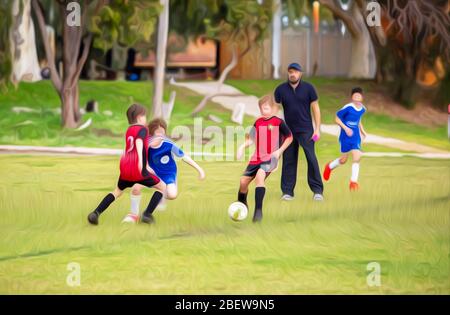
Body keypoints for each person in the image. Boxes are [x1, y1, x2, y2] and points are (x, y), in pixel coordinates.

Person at [87, 104, 166, 225]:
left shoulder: (129, 130)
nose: (145, 119)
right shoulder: (143, 129)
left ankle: (96, 213)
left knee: (117, 191)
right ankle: (147, 214)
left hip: (125, 169)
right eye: (144, 116)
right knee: (162, 187)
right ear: (139, 117)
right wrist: (142, 165)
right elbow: (139, 144)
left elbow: (128, 149)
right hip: (138, 170)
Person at [122, 118, 205, 223]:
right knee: (136, 188)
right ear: (151, 134)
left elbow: (184, 157)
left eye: (163, 132)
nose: (161, 135)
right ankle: (135, 215)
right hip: (152, 173)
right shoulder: (145, 145)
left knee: (172, 195)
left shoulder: (168, 144)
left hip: (167, 174)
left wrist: (199, 169)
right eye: (158, 133)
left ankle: (159, 197)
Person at [236, 95, 293, 222]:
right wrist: (241, 148)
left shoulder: (279, 122)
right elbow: (250, 139)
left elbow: (290, 137)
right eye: (261, 108)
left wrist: (279, 151)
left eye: (266, 108)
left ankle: (258, 212)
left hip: (270, 158)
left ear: (274, 109)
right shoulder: (258, 122)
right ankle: (241, 205)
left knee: (260, 177)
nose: (263, 111)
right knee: (243, 182)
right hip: (256, 158)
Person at [274, 62, 324, 201]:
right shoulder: (280, 90)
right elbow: (276, 109)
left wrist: (317, 129)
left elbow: (315, 108)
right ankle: (287, 192)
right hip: (288, 131)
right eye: (290, 71)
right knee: (289, 160)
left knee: (311, 158)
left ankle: (317, 191)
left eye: (295, 71)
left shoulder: (309, 89)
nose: (292, 74)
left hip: (306, 130)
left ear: (300, 73)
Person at [323, 87, 367, 191]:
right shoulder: (348, 107)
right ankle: (329, 167)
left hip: (355, 136)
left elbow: (358, 120)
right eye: (354, 95)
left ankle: (353, 182)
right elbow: (337, 119)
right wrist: (346, 128)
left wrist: (363, 131)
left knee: (357, 156)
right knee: (343, 160)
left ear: (362, 97)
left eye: (358, 95)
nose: (356, 97)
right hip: (345, 135)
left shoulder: (362, 109)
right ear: (352, 97)